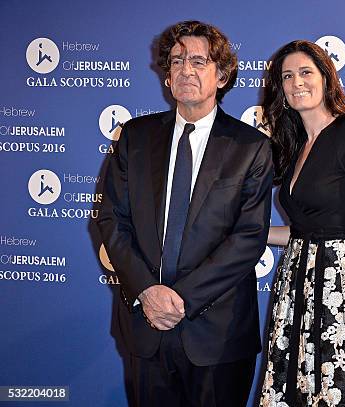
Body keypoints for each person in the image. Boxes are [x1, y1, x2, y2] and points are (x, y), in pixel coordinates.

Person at [97, 20, 273, 407]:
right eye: (176, 62)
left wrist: (179, 299)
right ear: (166, 75)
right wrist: (147, 291)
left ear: (222, 75)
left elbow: (248, 238)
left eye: (198, 61)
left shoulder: (251, 147)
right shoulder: (135, 137)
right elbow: (112, 220)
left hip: (219, 335)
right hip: (146, 327)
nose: (185, 71)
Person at [259, 40, 345, 406]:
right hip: (294, 281)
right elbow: (303, 231)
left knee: (331, 388)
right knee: (289, 387)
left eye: (305, 72)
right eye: (287, 76)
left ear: (326, 77)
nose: (296, 82)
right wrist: (244, 234)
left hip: (339, 284)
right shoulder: (296, 143)